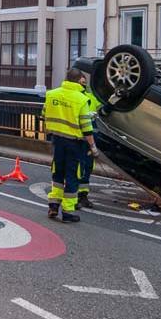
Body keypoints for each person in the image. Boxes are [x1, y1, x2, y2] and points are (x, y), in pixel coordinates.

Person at [42, 67, 98, 223]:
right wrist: (93, 148)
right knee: (73, 176)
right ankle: (68, 211)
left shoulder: (52, 94)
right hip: (75, 144)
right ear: (80, 80)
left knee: (58, 174)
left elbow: (43, 114)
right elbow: (87, 128)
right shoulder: (81, 99)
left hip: (57, 140)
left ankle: (53, 206)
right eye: (83, 79)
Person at [77, 77, 102, 209]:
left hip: (89, 137)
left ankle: (83, 195)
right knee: (78, 167)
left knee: (87, 167)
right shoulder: (75, 98)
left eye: (84, 83)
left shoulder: (91, 97)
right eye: (81, 82)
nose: (83, 85)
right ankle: (74, 196)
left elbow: (103, 109)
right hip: (77, 138)